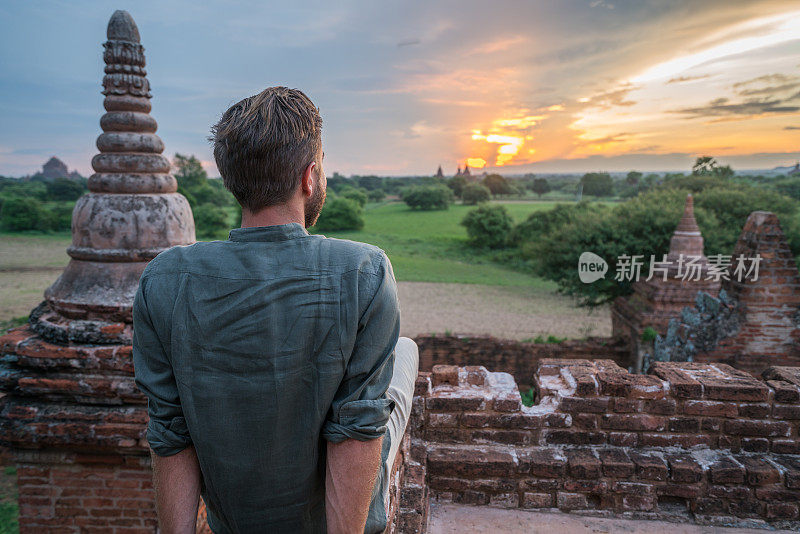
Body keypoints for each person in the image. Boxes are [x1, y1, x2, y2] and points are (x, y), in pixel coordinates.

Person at [132, 86, 419, 534]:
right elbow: (357, 431)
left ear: (233, 180)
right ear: (310, 178)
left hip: (235, 518)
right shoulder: (365, 270)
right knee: (406, 353)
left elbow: (170, 435)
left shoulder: (164, 280)